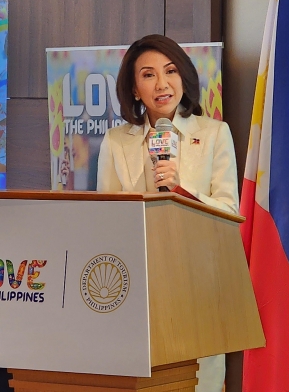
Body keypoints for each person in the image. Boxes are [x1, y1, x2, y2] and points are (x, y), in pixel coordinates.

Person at [96, 34, 239, 391]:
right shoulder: (116, 141)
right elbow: (104, 219)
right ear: (133, 89)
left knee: (199, 382)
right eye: (148, 75)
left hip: (198, 285)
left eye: (170, 71)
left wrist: (182, 190)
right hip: (137, 285)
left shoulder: (214, 134)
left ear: (183, 77)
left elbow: (230, 212)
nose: (162, 83)